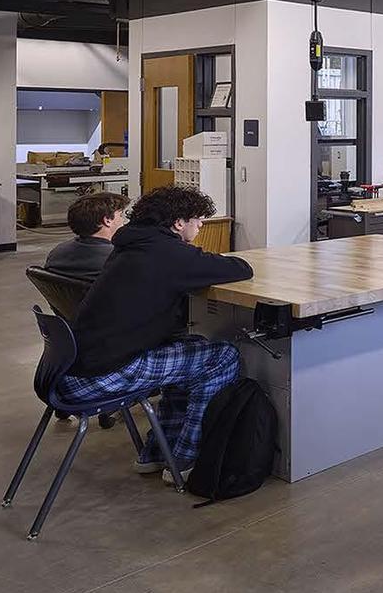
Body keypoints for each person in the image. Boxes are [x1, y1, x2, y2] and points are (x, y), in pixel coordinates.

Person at [62, 186, 253, 481]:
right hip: (103, 375)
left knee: (191, 349)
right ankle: (188, 460)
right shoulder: (168, 253)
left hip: (72, 369)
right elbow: (240, 268)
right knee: (223, 356)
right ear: (179, 223)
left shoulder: (129, 246)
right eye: (198, 220)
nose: (201, 225)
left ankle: (156, 452)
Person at [44, 191, 129, 280]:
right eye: (120, 215)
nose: (123, 221)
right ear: (107, 220)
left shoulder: (56, 253)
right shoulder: (118, 258)